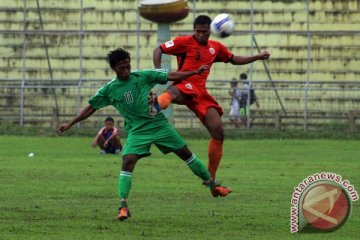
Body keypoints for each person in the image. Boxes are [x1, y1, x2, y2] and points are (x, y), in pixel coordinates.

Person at [57, 48, 231, 222]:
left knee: (186, 154)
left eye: (127, 65)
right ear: (114, 68)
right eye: (121, 67)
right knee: (127, 161)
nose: (126, 70)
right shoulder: (110, 89)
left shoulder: (142, 76)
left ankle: (213, 185)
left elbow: (171, 76)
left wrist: (193, 72)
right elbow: (91, 107)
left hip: (159, 125)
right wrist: (70, 123)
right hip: (137, 130)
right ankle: (123, 205)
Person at [153, 15, 270, 179]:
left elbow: (234, 59)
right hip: (184, 84)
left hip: (201, 93)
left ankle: (211, 177)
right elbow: (159, 49)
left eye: (204, 31)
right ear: (194, 30)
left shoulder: (216, 47)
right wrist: (159, 72)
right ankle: (153, 107)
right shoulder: (183, 42)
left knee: (218, 132)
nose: (201, 34)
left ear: (211, 30)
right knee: (172, 93)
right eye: (198, 31)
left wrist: (257, 56)